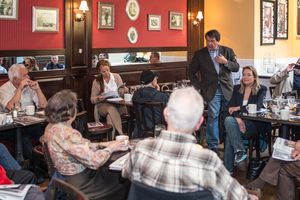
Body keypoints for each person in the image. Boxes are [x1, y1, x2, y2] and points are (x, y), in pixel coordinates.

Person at [122, 87, 258, 200]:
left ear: (166, 114)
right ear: (199, 123)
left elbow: (126, 173)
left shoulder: (141, 150)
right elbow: (239, 197)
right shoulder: (208, 161)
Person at [42, 90, 129, 200]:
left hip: (65, 178)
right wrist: (111, 148)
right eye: (75, 107)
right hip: (82, 184)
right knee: (122, 179)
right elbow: (95, 161)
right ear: (69, 112)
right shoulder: (68, 134)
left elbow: (78, 147)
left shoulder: (51, 128)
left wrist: (103, 144)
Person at [188, 29, 240, 154]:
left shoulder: (227, 51)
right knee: (213, 116)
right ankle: (213, 146)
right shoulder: (200, 54)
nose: (210, 43)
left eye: (212, 41)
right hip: (211, 90)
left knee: (229, 116)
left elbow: (236, 67)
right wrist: (200, 86)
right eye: (207, 41)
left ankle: (230, 143)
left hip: (227, 88)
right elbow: (191, 72)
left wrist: (226, 62)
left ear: (218, 41)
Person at [223, 66, 269, 173]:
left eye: (249, 74)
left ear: (254, 77)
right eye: (244, 74)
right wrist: (239, 119)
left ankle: (228, 168)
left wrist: (238, 108)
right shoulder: (236, 88)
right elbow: (230, 107)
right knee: (230, 125)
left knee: (230, 128)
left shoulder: (261, 89)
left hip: (253, 124)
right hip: (237, 123)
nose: (245, 77)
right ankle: (240, 152)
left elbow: (256, 106)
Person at [0, 64, 47, 159]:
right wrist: (20, 89)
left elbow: (44, 106)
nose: (28, 77)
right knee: (23, 137)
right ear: (14, 79)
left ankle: (50, 159)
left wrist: (38, 89)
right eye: (24, 76)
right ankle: (34, 164)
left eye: (27, 74)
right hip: (10, 127)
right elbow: (10, 108)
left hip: (29, 124)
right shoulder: (3, 89)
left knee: (45, 131)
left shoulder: (30, 87)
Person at [90, 60, 127, 137]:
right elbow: (92, 99)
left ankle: (110, 140)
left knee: (110, 117)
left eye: (108, 70)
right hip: (103, 105)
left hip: (118, 105)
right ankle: (121, 133)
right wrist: (98, 98)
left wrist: (124, 90)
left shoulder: (117, 77)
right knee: (111, 108)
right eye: (103, 71)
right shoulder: (96, 81)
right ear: (99, 71)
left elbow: (122, 92)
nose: (106, 73)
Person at [132, 70, 169, 138]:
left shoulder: (135, 95)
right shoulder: (162, 96)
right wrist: (158, 92)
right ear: (153, 80)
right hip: (159, 129)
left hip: (140, 131)